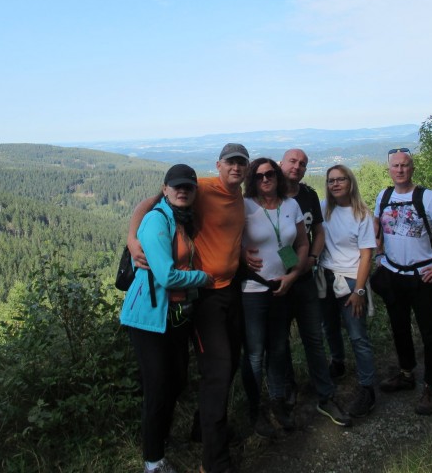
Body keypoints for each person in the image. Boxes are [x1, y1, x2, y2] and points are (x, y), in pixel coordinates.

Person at [128, 143, 250, 473]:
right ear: (219, 165)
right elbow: (147, 205)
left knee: (197, 373)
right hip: (183, 303)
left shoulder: (228, 198)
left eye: (241, 162)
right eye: (230, 162)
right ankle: (203, 460)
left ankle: (198, 430)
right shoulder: (193, 194)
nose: (236, 167)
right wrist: (131, 238)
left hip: (201, 301)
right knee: (200, 375)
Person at [247, 149, 351, 427]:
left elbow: (316, 232)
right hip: (272, 283)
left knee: (313, 338)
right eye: (292, 161)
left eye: (302, 163)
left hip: (302, 280)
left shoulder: (304, 197)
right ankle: (285, 392)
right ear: (281, 164)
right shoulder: (250, 203)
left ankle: (325, 395)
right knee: (278, 343)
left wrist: (311, 260)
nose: (297, 166)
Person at [120, 164, 211, 473]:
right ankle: (153, 460)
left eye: (188, 186)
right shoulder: (157, 220)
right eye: (177, 186)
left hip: (173, 315)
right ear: (165, 189)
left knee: (176, 380)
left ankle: (160, 437)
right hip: (148, 318)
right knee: (158, 386)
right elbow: (167, 276)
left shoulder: (182, 218)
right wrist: (204, 278)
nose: (182, 190)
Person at [370, 148, 432, 416]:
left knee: (429, 333)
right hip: (393, 274)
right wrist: (378, 253)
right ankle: (406, 373)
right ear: (389, 169)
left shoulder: (428, 197)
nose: (400, 170)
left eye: (405, 165)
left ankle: (431, 387)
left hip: (422, 276)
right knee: (399, 328)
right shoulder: (383, 195)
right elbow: (377, 224)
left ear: (412, 169)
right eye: (395, 166)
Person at [239, 157, 308, 437]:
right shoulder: (244, 206)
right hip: (253, 290)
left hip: (283, 287)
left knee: (279, 348)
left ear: (278, 176)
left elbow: (302, 243)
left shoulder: (291, 205)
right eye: (259, 176)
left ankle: (277, 402)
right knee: (255, 354)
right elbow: (226, 238)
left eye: (270, 174)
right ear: (252, 180)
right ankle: (256, 410)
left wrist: (294, 274)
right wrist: (239, 253)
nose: (265, 179)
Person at [318, 164, 378, 417]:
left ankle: (367, 388)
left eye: (340, 179)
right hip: (326, 276)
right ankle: (338, 363)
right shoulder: (323, 208)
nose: (335, 184)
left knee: (357, 336)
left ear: (350, 182)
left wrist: (359, 291)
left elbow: (367, 256)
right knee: (329, 327)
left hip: (352, 280)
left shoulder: (362, 214)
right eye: (331, 180)